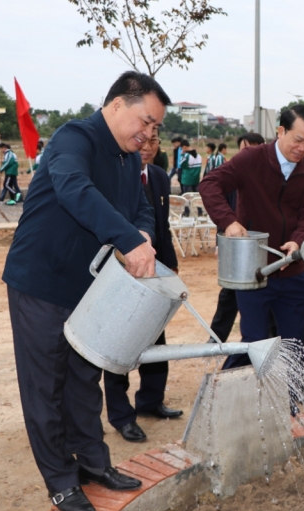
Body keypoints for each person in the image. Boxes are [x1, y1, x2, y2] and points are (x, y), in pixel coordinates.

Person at [2, 71, 169, 511]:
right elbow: (76, 190)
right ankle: (60, 480)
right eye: (146, 122)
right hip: (40, 282)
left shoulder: (128, 158)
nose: (149, 134)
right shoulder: (74, 138)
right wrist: (127, 240)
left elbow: (141, 209)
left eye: (156, 128)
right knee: (45, 387)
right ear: (117, 104)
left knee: (83, 379)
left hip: (88, 288)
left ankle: (94, 463)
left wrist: (143, 235)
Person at [199, 105, 304, 379]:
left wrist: (298, 241)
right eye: (298, 140)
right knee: (254, 344)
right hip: (254, 273)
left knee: (294, 347)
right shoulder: (252, 159)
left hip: (292, 272)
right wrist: (228, 221)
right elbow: (210, 184)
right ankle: (224, 394)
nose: (303, 148)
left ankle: (288, 409)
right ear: (281, 131)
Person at [102, 128, 182, 443]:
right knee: (121, 341)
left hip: (156, 271)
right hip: (121, 272)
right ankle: (121, 415)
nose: (146, 147)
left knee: (156, 338)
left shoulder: (159, 177)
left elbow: (161, 224)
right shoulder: (114, 175)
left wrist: (171, 261)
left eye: (154, 141)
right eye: (142, 140)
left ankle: (151, 400)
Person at [207, 133, 266, 343]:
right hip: (237, 246)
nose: (246, 154)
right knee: (228, 295)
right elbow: (223, 212)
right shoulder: (234, 174)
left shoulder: (272, 179)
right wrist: (220, 242)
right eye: (243, 150)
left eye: (251, 149)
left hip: (263, 247)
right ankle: (216, 338)